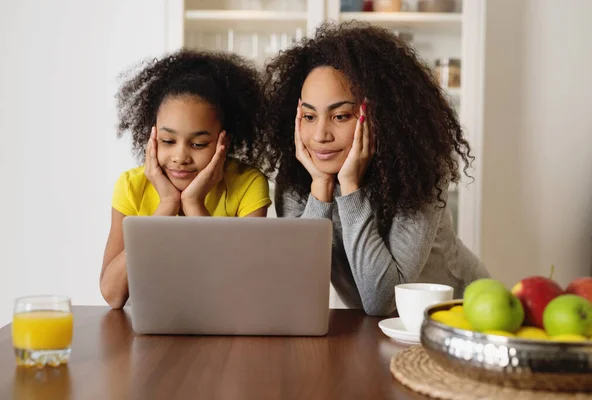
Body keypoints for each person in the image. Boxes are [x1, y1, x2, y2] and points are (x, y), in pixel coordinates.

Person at [258, 22, 490, 316]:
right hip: (375, 330)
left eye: (340, 116)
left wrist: (351, 187)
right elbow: (295, 287)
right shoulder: (298, 177)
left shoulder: (419, 172)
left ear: (377, 114)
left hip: (461, 315)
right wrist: (320, 188)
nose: (320, 135)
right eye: (309, 116)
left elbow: (383, 300)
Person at [100, 50, 272, 309]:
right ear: (152, 138)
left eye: (199, 143)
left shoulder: (248, 185)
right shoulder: (131, 187)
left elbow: (239, 287)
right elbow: (112, 295)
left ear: (224, 143)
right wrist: (167, 206)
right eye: (167, 141)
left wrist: (194, 204)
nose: (180, 156)